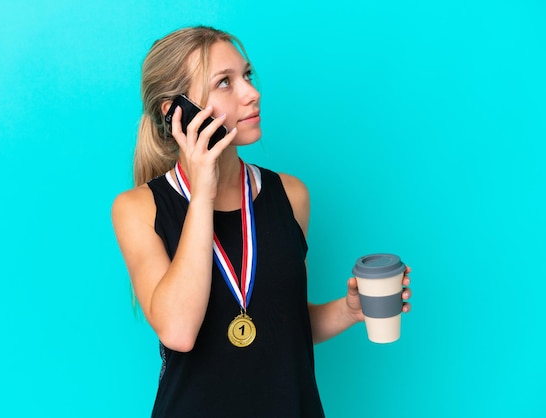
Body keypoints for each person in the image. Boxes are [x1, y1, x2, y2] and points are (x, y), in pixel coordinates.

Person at [112, 26, 412, 418]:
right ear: (177, 111)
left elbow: (279, 320)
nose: (252, 93)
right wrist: (202, 192)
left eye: (247, 76)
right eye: (224, 82)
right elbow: (179, 332)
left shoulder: (290, 195)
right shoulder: (139, 209)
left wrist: (350, 311)